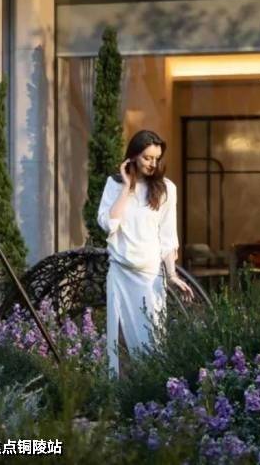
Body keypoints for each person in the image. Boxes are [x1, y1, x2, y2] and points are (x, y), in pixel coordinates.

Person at [97, 129, 194, 378]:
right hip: (120, 274)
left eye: (156, 158)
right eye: (147, 158)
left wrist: (172, 275)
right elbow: (109, 224)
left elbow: (167, 237)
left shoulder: (167, 189)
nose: (153, 164)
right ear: (133, 156)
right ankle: (117, 397)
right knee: (119, 349)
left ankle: (152, 395)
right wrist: (126, 188)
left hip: (151, 277)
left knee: (153, 344)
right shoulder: (114, 185)